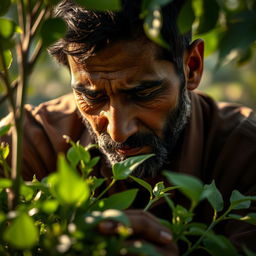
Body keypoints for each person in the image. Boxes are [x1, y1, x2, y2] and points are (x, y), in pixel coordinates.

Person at [1, 0, 256, 254]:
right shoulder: (26, 144)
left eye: (143, 94)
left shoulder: (245, 152)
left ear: (192, 67)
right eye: (92, 97)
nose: (117, 131)